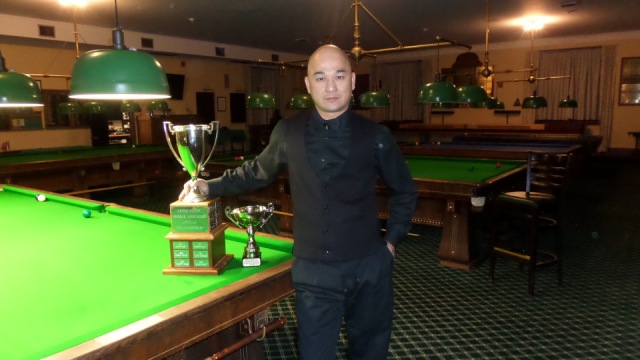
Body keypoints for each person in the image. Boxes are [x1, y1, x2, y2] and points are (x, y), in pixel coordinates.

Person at [180, 44, 417, 360]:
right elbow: (256, 172)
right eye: (320, 77)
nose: (330, 86)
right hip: (314, 271)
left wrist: (392, 242)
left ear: (353, 81)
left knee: (370, 352)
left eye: (339, 75)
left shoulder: (377, 135)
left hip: (369, 267)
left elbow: (405, 189)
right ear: (307, 85)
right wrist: (208, 186)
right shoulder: (287, 131)